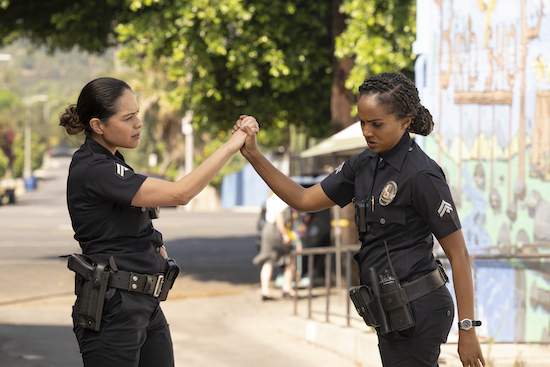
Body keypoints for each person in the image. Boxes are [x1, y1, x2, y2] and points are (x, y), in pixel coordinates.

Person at [234, 73, 485, 367]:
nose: (367, 131)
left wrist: (467, 329)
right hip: (389, 309)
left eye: (376, 124)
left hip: (420, 309)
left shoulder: (422, 175)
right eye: (362, 122)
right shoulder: (362, 165)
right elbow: (303, 200)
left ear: (405, 122)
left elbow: (459, 254)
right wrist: (254, 155)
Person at [59, 77, 258, 367]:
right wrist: (231, 145)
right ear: (97, 125)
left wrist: (156, 247)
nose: (138, 123)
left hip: (143, 303)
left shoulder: (114, 162)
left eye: (137, 114)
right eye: (128, 118)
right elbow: (180, 192)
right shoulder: (95, 168)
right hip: (115, 308)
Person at [253, 191, 296, 300]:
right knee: (290, 258)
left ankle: (265, 290)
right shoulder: (280, 196)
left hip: (267, 229)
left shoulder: (271, 197)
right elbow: (279, 216)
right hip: (276, 230)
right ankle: (287, 287)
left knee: (268, 260)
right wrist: (284, 234)